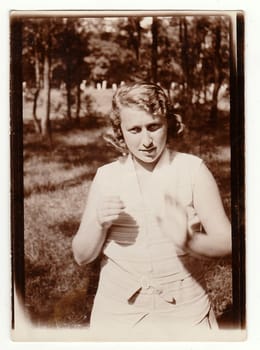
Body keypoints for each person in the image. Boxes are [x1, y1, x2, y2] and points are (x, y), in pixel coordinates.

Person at [72, 82, 231, 340]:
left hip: (185, 311)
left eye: (153, 127)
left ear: (168, 123)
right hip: (118, 315)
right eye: (134, 130)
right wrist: (98, 223)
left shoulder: (192, 170)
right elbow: (81, 255)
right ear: (120, 132)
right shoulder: (107, 176)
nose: (146, 141)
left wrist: (190, 241)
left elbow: (227, 242)